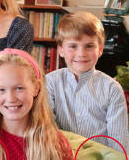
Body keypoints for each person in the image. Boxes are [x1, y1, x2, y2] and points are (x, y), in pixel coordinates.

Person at [45, 11, 129, 151]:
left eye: (89, 46)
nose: (81, 53)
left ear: (100, 49)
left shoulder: (112, 89)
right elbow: (48, 131)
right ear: (61, 50)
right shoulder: (50, 83)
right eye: (73, 46)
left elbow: (119, 144)